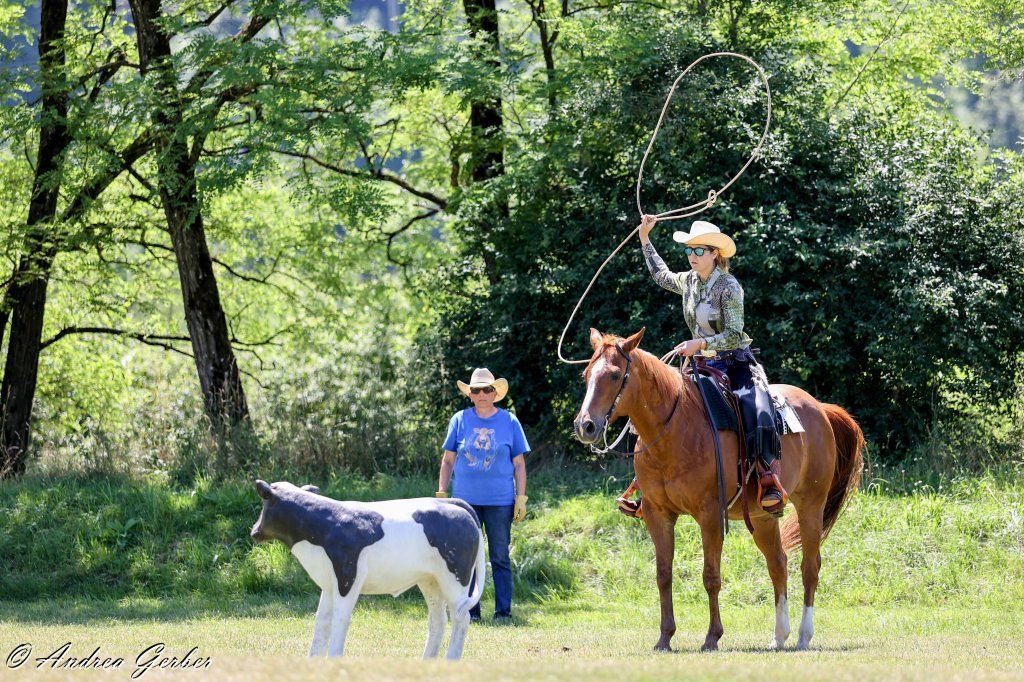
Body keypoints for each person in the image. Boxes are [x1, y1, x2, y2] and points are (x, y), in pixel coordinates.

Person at [618, 215, 787, 517]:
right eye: (689, 251)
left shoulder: (729, 286)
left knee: (756, 406)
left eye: (698, 251)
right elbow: (662, 275)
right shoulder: (689, 281)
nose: (692, 256)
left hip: (734, 362)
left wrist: (702, 344)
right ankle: (648, 483)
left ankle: (766, 477)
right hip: (698, 366)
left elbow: (735, 333)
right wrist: (644, 239)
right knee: (652, 407)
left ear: (714, 254)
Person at [437, 367, 530, 622]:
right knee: (467, 558)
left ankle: (503, 611)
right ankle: (471, 612)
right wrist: (442, 492)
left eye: (486, 390)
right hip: (465, 503)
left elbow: (519, 464)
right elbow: (447, 460)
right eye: (476, 390)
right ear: (470, 394)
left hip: (501, 501)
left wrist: (521, 498)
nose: (481, 394)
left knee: (500, 556)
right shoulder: (459, 420)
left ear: (494, 393)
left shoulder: (509, 421)